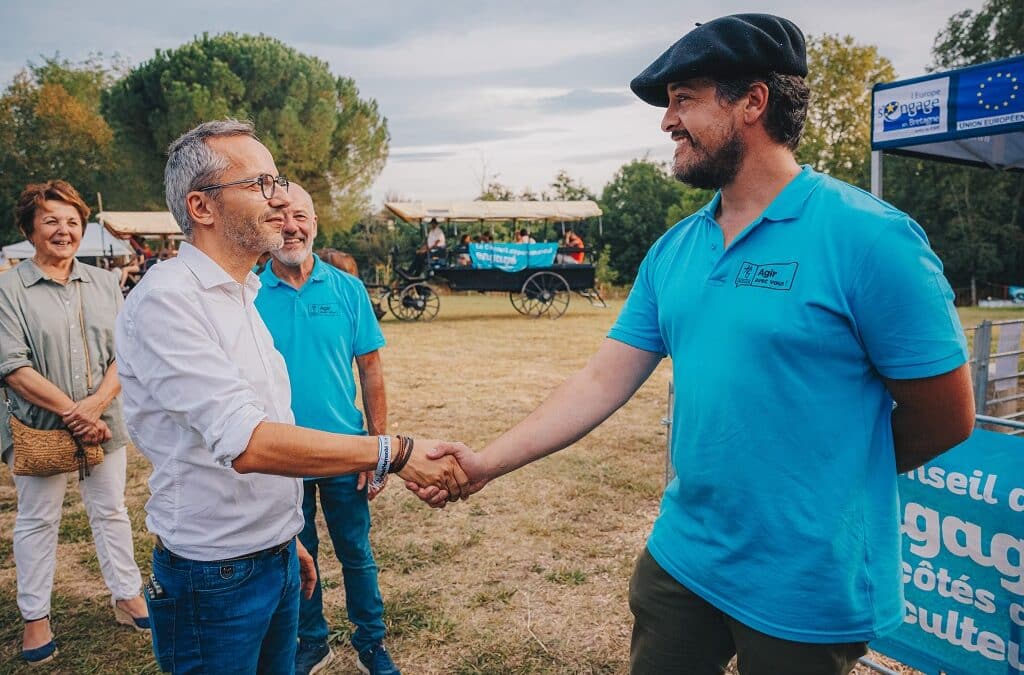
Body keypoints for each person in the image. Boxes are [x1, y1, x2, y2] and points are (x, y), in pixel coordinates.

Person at [413, 14, 976, 675]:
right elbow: (600, 382)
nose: (666, 121)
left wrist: (833, 475)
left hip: (806, 581)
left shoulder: (870, 239)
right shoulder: (674, 249)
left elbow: (947, 416)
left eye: (684, 98)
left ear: (753, 102)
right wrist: (484, 462)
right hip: (682, 560)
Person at [115, 119, 467, 674]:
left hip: (271, 556)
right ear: (202, 208)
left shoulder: (243, 294)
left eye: (276, 182)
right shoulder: (168, 301)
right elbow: (249, 443)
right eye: (259, 184)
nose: (279, 200)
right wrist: (392, 452)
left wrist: (284, 540)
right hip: (216, 578)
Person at [0, 180, 150, 667]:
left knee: (110, 511)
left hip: (104, 423)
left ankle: (127, 596)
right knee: (38, 519)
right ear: (29, 229)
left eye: (72, 222)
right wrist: (74, 413)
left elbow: (124, 356)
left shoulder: (106, 283)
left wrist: (95, 407)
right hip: (38, 426)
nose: (63, 231)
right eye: (51, 221)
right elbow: (12, 365)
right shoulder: (8, 288)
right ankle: (35, 617)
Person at [255, 184, 399, 675]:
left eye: (300, 215)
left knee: (356, 553)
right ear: (264, 224)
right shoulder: (247, 295)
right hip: (281, 456)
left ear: (315, 223)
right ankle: (311, 641)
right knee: (297, 556)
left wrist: (378, 449)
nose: (290, 226)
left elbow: (371, 370)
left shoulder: (347, 289)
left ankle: (372, 643)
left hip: (345, 451)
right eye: (278, 216)